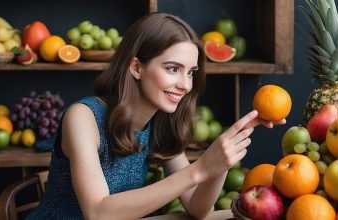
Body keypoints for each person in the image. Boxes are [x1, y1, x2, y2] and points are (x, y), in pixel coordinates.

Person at [27, 12, 286, 219]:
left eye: (191, 72)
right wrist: (201, 168)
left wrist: (222, 160)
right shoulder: (82, 117)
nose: (185, 85)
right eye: (173, 69)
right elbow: (98, 212)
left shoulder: (161, 121)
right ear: (137, 67)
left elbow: (197, 209)